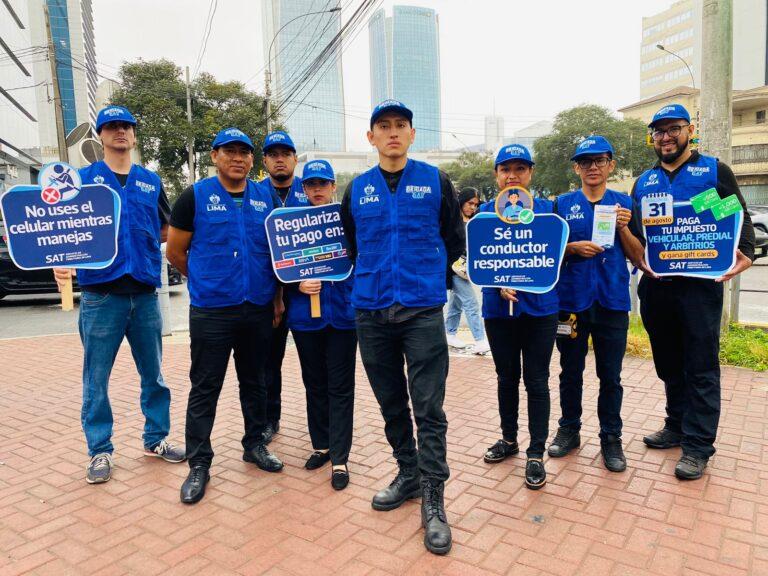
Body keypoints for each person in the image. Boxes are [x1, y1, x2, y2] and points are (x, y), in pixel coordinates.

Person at [340, 100, 464, 555]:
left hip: (421, 312)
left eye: (401, 126)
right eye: (383, 127)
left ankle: (434, 498)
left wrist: (431, 280)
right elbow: (352, 245)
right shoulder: (357, 190)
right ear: (370, 138)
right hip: (370, 311)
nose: (393, 133)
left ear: (413, 134)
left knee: (429, 409)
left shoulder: (437, 182)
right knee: (391, 402)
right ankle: (408, 473)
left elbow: (453, 239)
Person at [53, 105, 185, 484]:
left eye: (126, 126)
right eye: (111, 127)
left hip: (143, 292)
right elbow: (62, 229)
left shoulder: (150, 181)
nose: (120, 133)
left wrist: (141, 243)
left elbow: (165, 228)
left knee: (154, 375)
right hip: (100, 295)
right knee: (96, 379)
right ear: (101, 135)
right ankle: (99, 450)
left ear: (134, 133)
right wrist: (61, 261)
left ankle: (156, 439)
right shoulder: (82, 180)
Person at [631, 104, 755, 480]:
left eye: (673, 129)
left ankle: (698, 446)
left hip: (699, 290)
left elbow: (735, 216)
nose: (666, 137)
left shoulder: (712, 171)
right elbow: (638, 235)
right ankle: (676, 425)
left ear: (690, 130)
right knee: (668, 363)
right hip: (657, 288)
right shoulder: (644, 182)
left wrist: (746, 253)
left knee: (700, 367)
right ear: (652, 138)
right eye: (659, 131)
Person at [167, 128, 285, 504]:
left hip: (258, 308)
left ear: (252, 160)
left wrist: (278, 298)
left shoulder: (265, 198)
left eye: (245, 153)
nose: (238, 158)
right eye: (230, 151)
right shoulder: (195, 196)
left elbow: (276, 252)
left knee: (256, 382)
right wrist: (206, 280)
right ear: (215, 155)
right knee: (206, 387)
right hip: (212, 312)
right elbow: (175, 252)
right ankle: (199, 462)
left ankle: (254, 444)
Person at [547, 136, 645, 473]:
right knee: (569, 371)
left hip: (612, 302)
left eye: (599, 160)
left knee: (611, 376)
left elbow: (638, 256)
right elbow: (548, 255)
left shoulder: (624, 204)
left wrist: (623, 229)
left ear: (610, 165)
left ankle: (611, 437)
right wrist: (571, 249)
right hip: (571, 303)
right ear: (576, 167)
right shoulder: (561, 204)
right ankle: (569, 429)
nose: (592, 167)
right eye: (585, 161)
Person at [479, 144, 558, 490]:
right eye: (505, 169)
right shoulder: (482, 215)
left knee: (537, 381)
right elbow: (478, 261)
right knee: (506, 377)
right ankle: (509, 439)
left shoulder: (548, 212)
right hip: (499, 312)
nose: (513, 176)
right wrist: (498, 284)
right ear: (496, 175)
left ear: (531, 173)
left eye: (520, 169)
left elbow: (554, 257)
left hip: (540, 311)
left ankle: (536, 452)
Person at [285, 159, 356, 491]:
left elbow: (361, 258)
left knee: (340, 387)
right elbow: (278, 265)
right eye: (311, 184)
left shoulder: (347, 221)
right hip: (305, 318)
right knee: (314, 382)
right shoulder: (291, 223)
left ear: (333, 187)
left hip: (342, 315)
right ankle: (322, 445)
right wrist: (295, 284)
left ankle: (340, 457)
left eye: (322, 184)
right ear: (304, 188)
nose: (317, 189)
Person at [259, 130, 308, 444]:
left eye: (285, 153)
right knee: (268, 363)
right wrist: (276, 296)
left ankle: (324, 427)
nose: (279, 159)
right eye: (273, 154)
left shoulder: (312, 188)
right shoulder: (255, 193)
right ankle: (268, 420)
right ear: (265, 160)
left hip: (307, 293)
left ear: (294, 158)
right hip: (269, 296)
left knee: (314, 363)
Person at [445, 188, 489, 354]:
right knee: (471, 303)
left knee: (456, 304)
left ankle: (450, 332)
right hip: (454, 268)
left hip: (467, 268)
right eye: (470, 203)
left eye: (476, 204)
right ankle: (479, 340)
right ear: (461, 201)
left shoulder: (474, 222)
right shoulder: (452, 221)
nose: (473, 207)